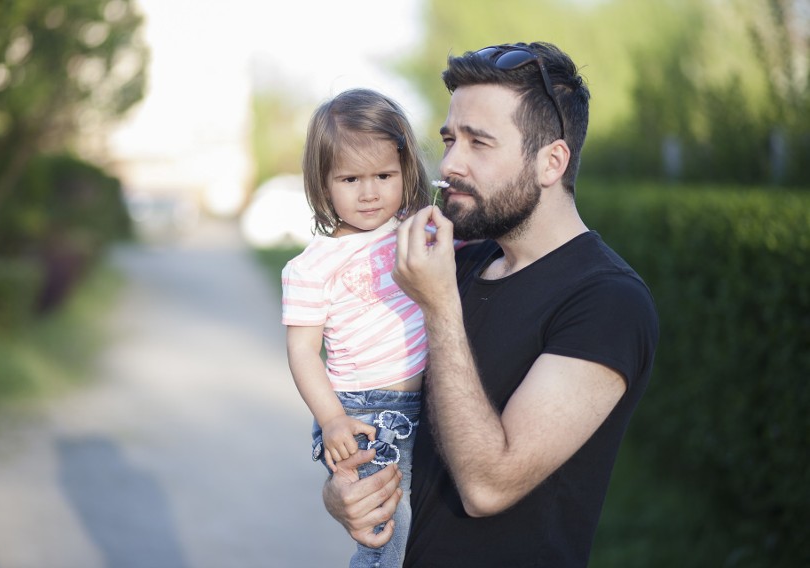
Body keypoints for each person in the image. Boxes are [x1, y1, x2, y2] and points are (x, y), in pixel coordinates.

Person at [322, 42, 660, 567]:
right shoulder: (455, 261)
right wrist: (343, 490)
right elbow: (374, 403)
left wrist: (438, 307)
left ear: (552, 161)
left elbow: (488, 487)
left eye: (479, 143)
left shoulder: (608, 301)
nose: (451, 164)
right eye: (450, 139)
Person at [281, 88, 432, 568]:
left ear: (405, 172)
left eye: (384, 175)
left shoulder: (414, 231)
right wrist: (331, 421)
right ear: (323, 185)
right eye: (350, 178)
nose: (369, 192)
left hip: (427, 399)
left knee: (426, 527)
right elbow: (304, 351)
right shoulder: (313, 266)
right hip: (364, 411)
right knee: (389, 532)